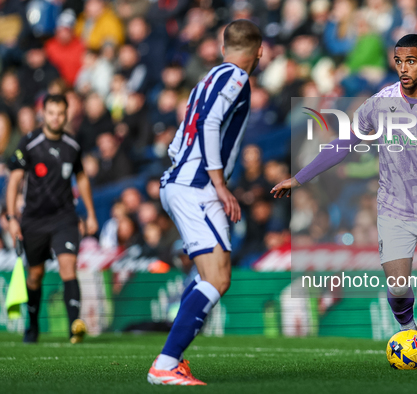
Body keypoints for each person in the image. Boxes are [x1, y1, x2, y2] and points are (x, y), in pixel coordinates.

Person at [271, 34, 417, 367]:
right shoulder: (379, 104)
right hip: (393, 211)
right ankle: (410, 336)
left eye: (411, 61)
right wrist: (299, 177)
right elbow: (343, 144)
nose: (404, 68)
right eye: (399, 61)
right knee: (397, 288)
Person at [148, 19, 262, 385]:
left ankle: (172, 360)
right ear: (259, 51)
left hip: (183, 180)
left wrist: (185, 168)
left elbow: (182, 135)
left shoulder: (206, 79)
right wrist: (218, 183)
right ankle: (165, 364)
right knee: (217, 277)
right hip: (199, 186)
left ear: (223, 45)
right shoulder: (237, 78)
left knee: (212, 275)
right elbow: (210, 124)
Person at [5, 94, 98, 344]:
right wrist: (12, 217)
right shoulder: (29, 142)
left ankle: (74, 328)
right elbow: (14, 180)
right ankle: (32, 326)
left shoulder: (73, 145)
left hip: (64, 217)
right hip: (34, 220)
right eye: (51, 112)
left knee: (69, 265)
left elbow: (82, 178)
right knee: (35, 275)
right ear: (43, 114)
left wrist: (90, 213)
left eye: (60, 113)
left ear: (66, 115)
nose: (56, 117)